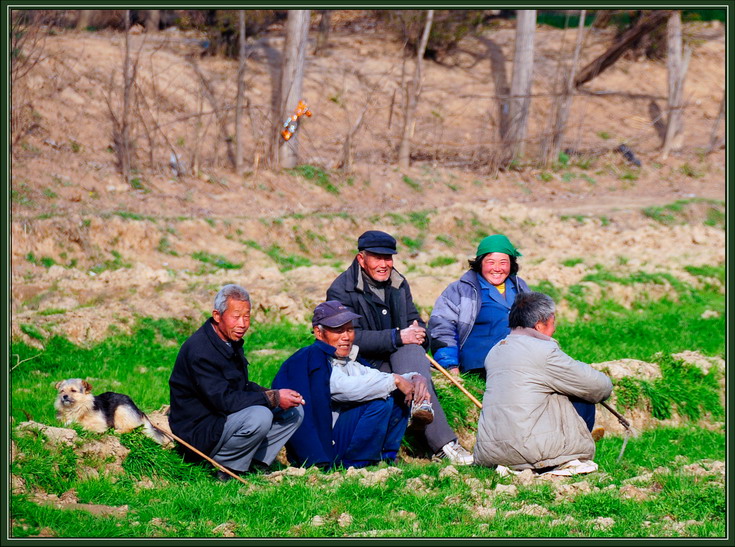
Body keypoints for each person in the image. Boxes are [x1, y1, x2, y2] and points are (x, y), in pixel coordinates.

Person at [326, 230, 473, 465]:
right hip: (364, 361)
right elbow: (350, 338)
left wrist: (418, 334)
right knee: (413, 363)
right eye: (377, 258)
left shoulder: (398, 283)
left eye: (388, 258)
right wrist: (398, 336)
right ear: (361, 259)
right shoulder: (341, 290)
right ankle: (444, 444)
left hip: (402, 356)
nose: (384, 264)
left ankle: (425, 413)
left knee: (414, 354)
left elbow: (414, 321)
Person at [272, 300, 432, 469]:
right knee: (380, 400)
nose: (346, 337)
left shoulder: (347, 361)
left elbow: (375, 377)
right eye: (338, 331)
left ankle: (386, 457)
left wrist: (415, 378)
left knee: (396, 392)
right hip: (327, 443)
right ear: (319, 333)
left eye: (349, 329)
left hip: (340, 432)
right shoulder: (315, 358)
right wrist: (395, 380)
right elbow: (343, 388)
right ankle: (357, 463)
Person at [169, 284, 304, 481]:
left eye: (247, 317)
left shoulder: (228, 341)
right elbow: (224, 401)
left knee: (294, 411)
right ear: (217, 315)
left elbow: (240, 386)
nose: (242, 324)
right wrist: (272, 398)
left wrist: (277, 394)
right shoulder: (200, 350)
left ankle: (256, 463)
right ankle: (227, 468)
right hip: (199, 428)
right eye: (236, 317)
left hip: (223, 418)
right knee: (260, 415)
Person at [474, 292, 613, 474]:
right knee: (581, 391)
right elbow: (600, 386)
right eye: (552, 323)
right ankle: (569, 454)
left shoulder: (495, 351)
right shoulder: (543, 351)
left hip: (490, 452)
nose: (554, 329)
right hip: (531, 451)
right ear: (540, 325)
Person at [428, 234, 530, 379]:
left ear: (511, 264)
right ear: (480, 262)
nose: (497, 268)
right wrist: (449, 365)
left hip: (520, 363)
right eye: (491, 262)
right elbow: (442, 328)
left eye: (503, 262)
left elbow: (537, 324)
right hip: (479, 366)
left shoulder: (521, 287)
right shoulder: (460, 290)